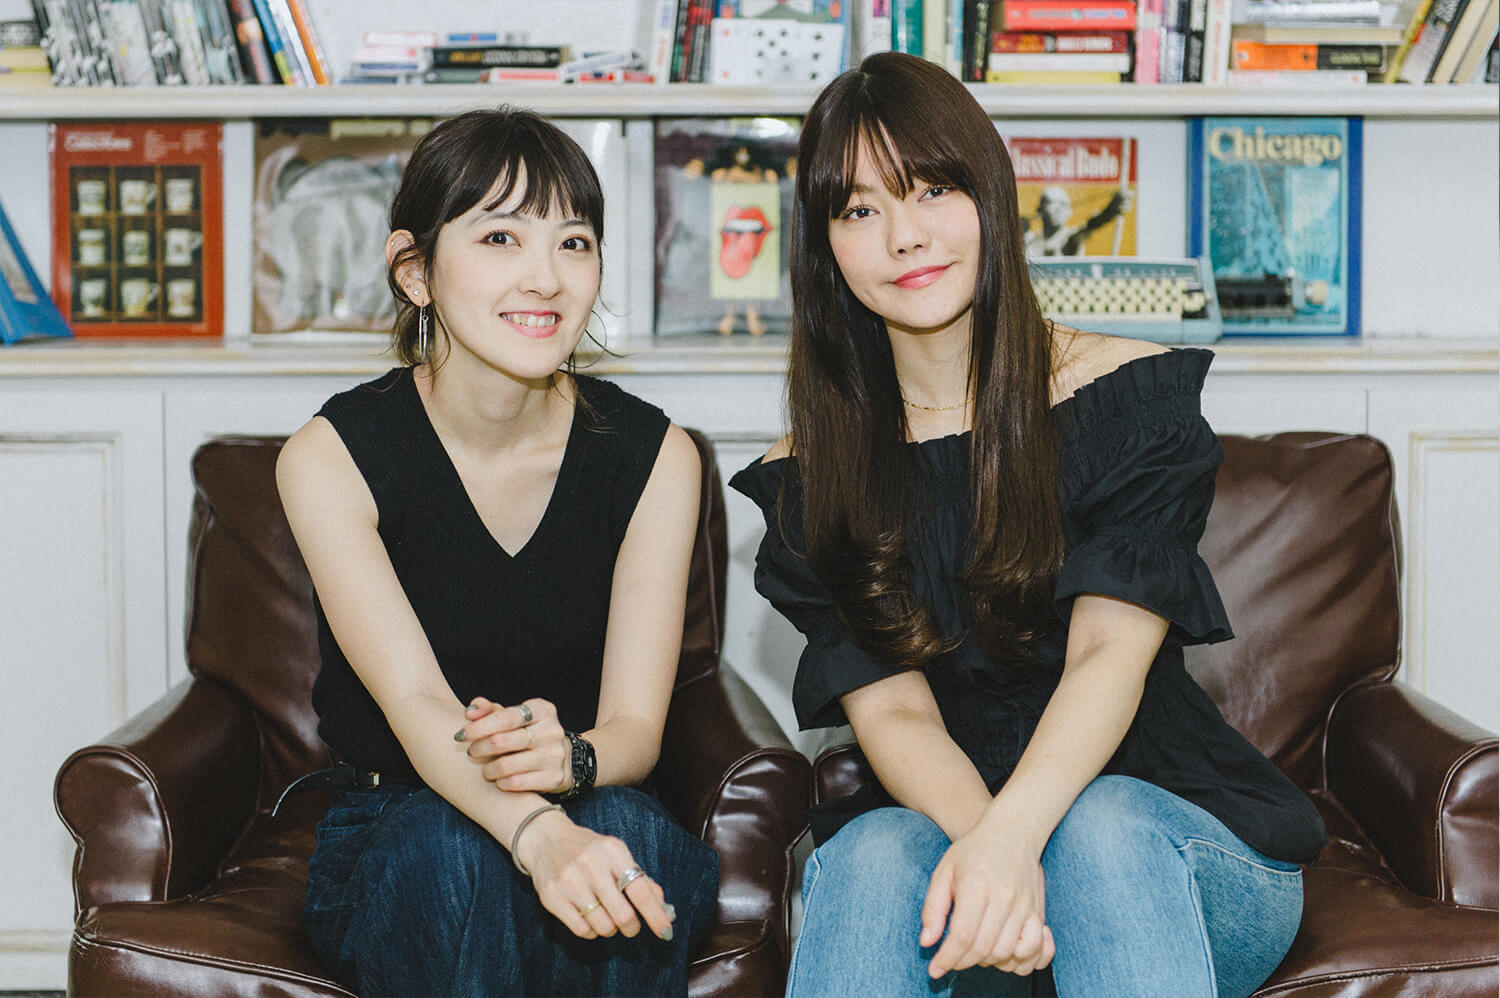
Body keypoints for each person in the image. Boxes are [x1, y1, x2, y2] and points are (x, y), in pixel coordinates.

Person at [728, 53, 1326, 998]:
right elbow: (893, 712)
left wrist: (1016, 841)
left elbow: (1107, 659)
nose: (905, 237)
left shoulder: (1129, 405)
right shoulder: (811, 475)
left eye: (932, 189)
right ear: (825, 247)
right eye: (860, 211)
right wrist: (993, 856)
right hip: (956, 848)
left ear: (991, 196)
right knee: (872, 852)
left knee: (1099, 828)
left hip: (1175, 850)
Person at [276, 107, 719, 997]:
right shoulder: (330, 459)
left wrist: (573, 763)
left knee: (623, 840)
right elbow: (415, 700)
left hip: (595, 801)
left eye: (574, 243)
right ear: (415, 271)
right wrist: (532, 832)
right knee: (455, 853)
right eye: (500, 237)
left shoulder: (657, 458)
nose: (545, 278)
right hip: (398, 819)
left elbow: (635, 728)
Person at [1022, 184, 1134, 257]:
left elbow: (1090, 227)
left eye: (1063, 204)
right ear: (1039, 210)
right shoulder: (1030, 240)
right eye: (1050, 202)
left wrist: (1111, 210)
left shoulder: (1071, 238)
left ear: (1069, 212)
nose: (1058, 208)